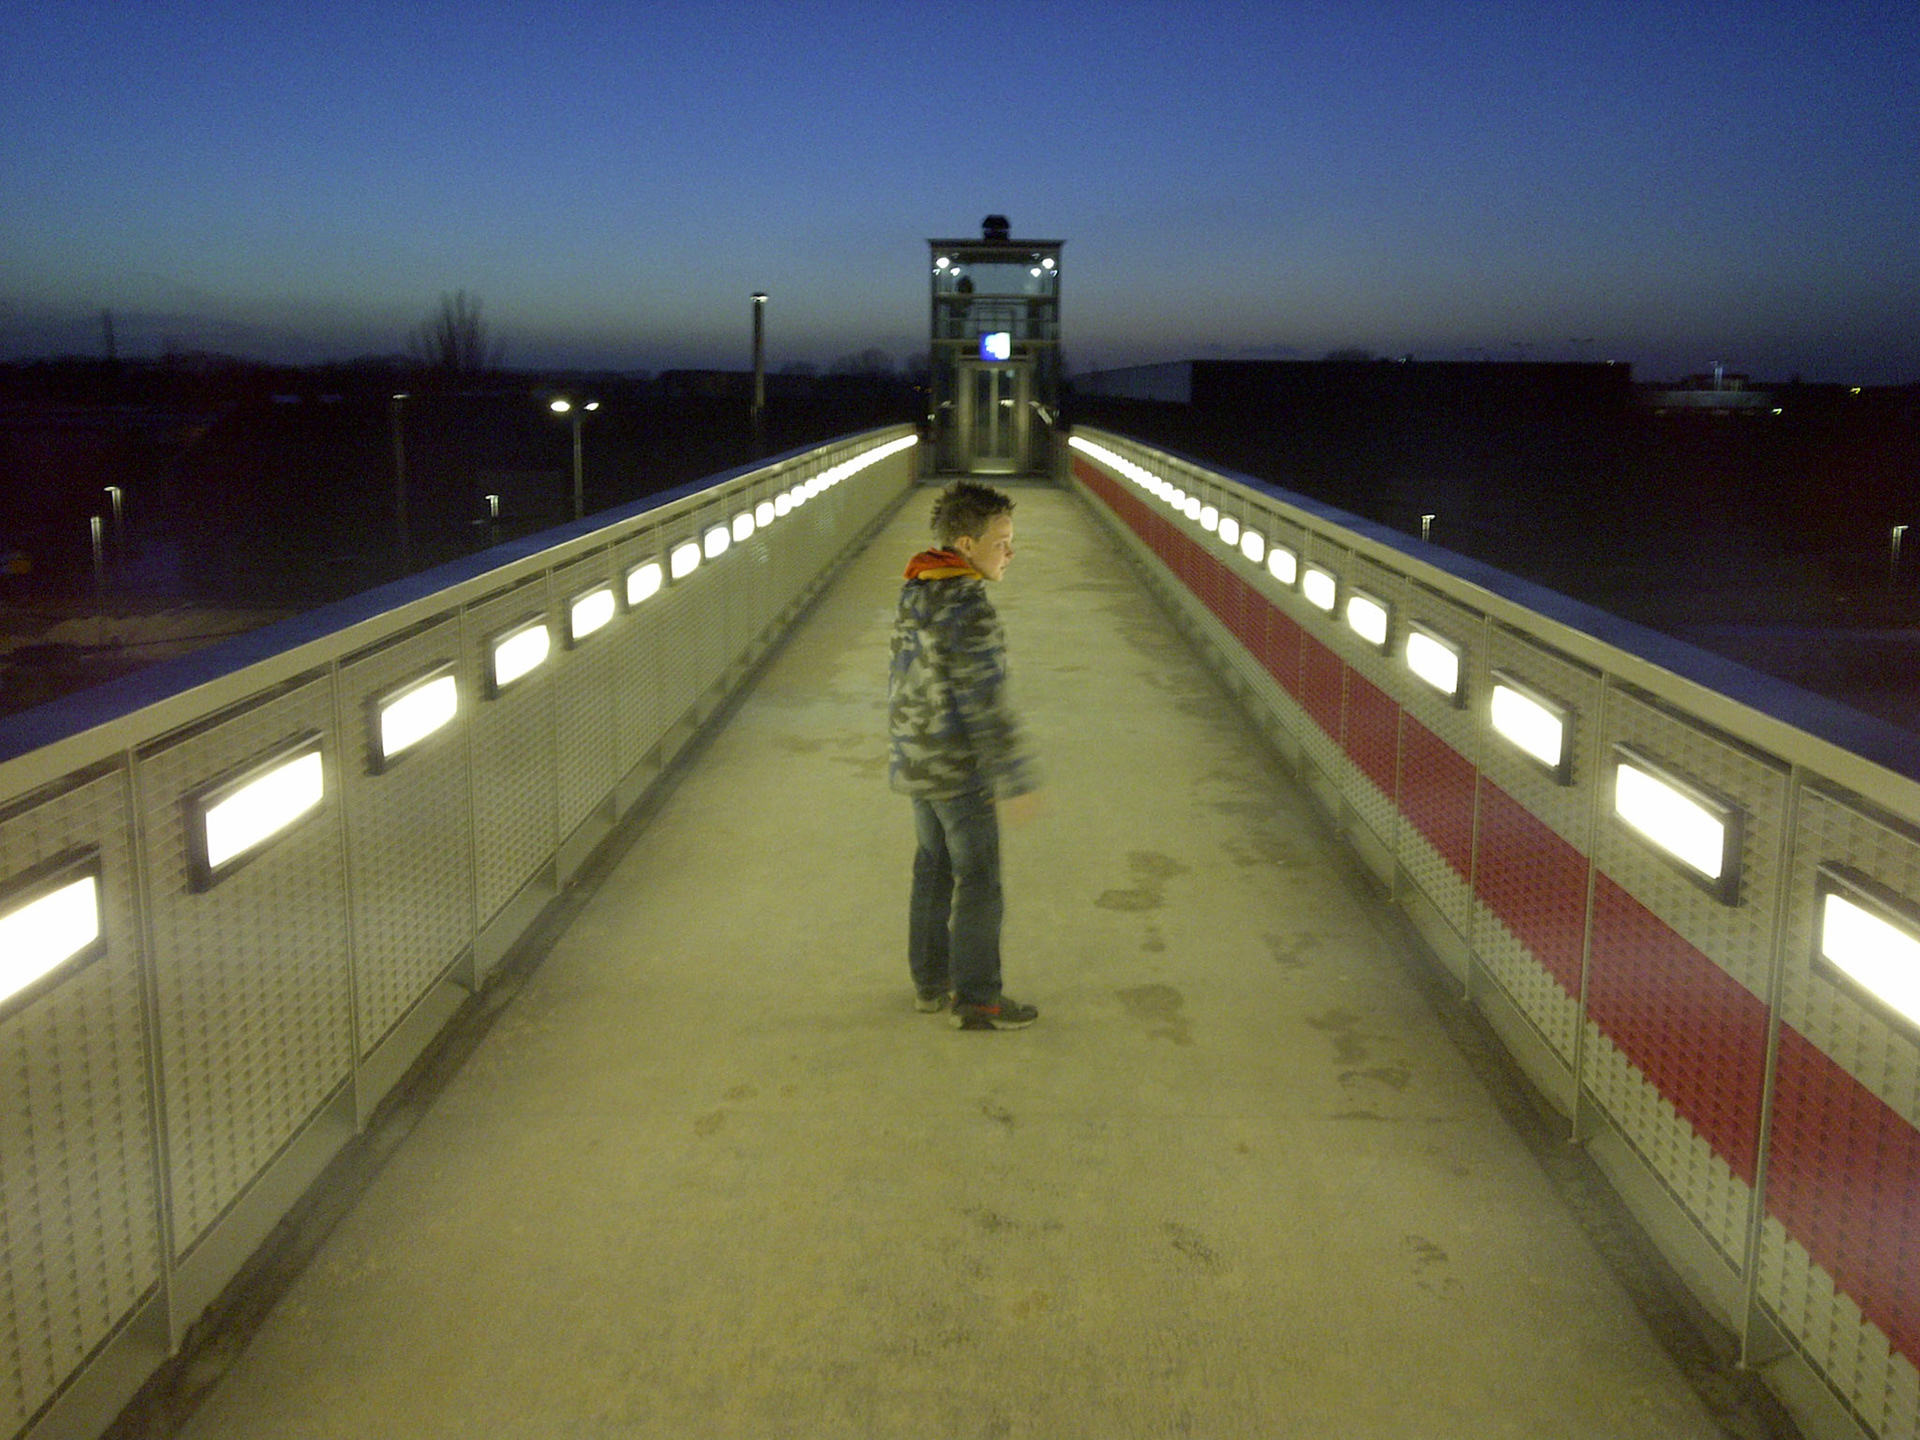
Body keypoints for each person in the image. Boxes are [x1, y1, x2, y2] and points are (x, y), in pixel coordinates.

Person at [888, 480, 1042, 1031]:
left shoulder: (916, 590)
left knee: (933, 870)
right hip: (957, 770)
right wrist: (1015, 778)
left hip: (916, 759)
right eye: (1001, 542)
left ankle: (931, 984)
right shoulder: (969, 609)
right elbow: (985, 703)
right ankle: (978, 1001)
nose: (1010, 553)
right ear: (966, 544)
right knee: (979, 881)